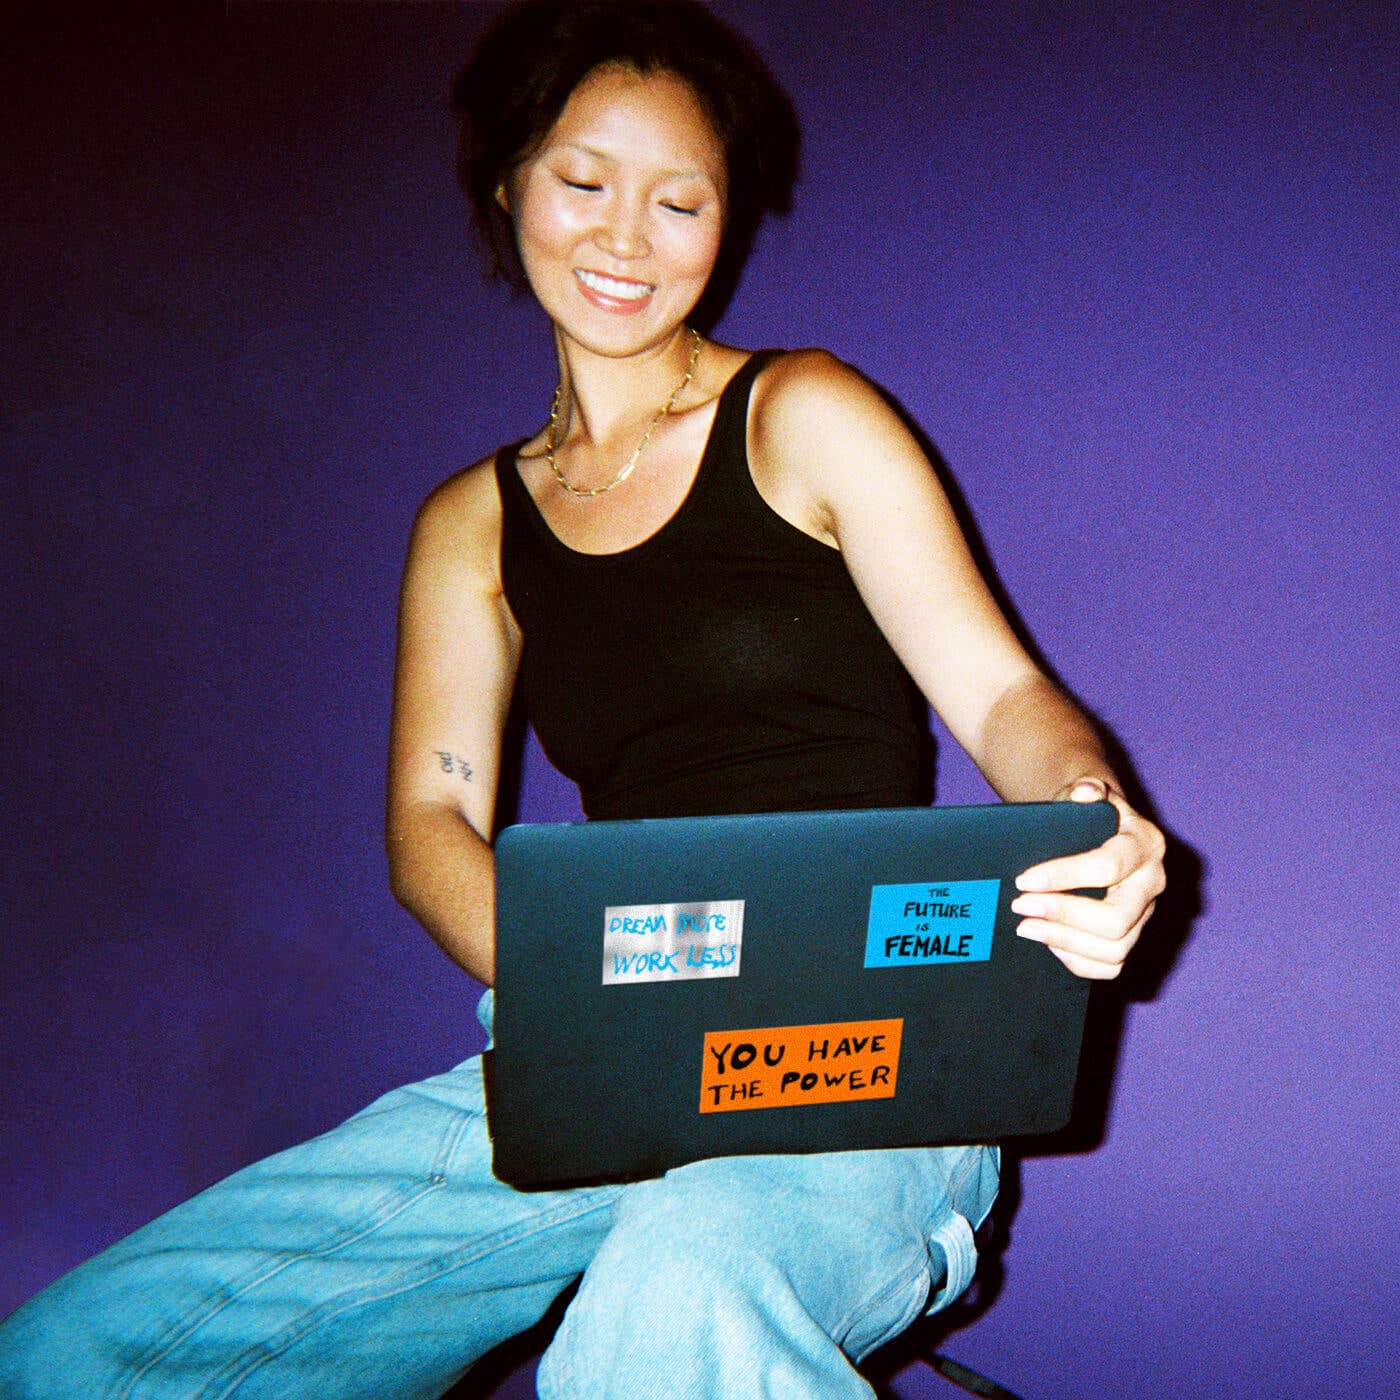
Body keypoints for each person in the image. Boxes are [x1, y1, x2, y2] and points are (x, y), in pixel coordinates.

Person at [0, 3, 1166, 1396]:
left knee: (668, 1307)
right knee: (91, 1351)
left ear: (727, 225)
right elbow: (430, 826)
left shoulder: (805, 414)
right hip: (599, 1035)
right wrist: (601, 995)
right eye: (584, 181)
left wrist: (1087, 814)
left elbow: (1004, 692)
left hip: (865, 1048)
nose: (627, 238)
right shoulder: (468, 526)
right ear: (507, 185)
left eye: (681, 202)